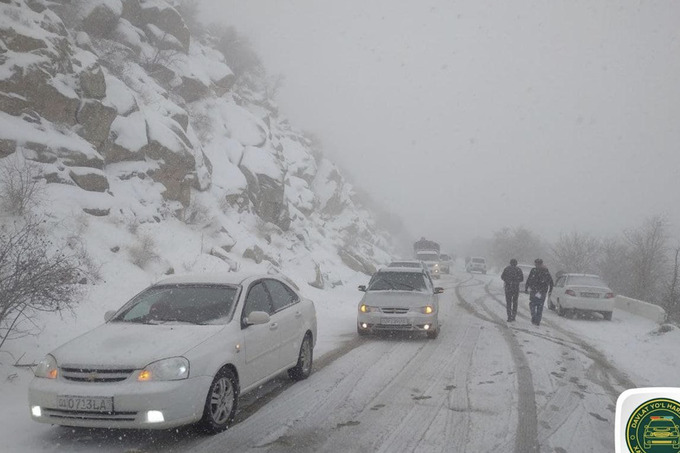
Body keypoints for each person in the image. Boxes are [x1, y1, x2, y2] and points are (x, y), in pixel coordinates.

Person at [525, 258, 554, 326]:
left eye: (536, 263)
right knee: (540, 306)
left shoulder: (534, 270)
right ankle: (537, 320)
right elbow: (551, 282)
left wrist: (527, 288)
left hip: (534, 290)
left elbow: (529, 279)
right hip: (542, 291)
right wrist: (550, 290)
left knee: (532, 304)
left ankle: (534, 316)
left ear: (536, 264)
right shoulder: (546, 271)